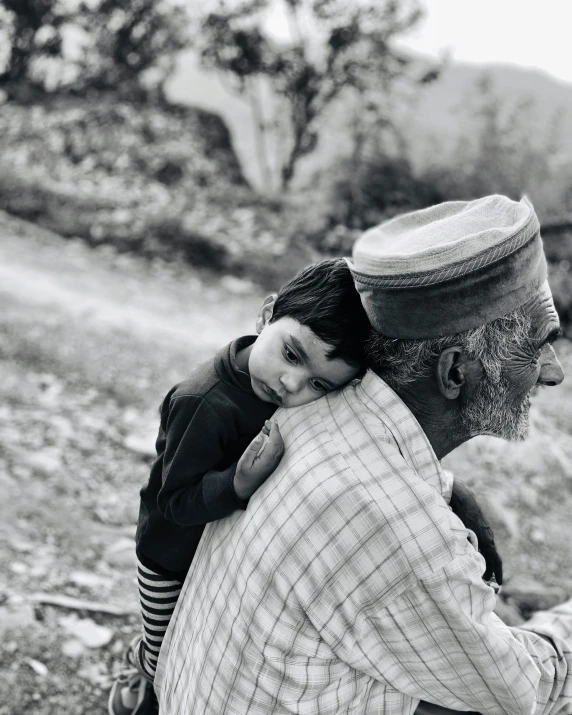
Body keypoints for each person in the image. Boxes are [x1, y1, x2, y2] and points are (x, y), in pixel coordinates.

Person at [154, 195, 572, 715]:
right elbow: (520, 691)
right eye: (537, 347)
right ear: (456, 372)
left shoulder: (314, 410)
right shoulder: (405, 534)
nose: (553, 371)